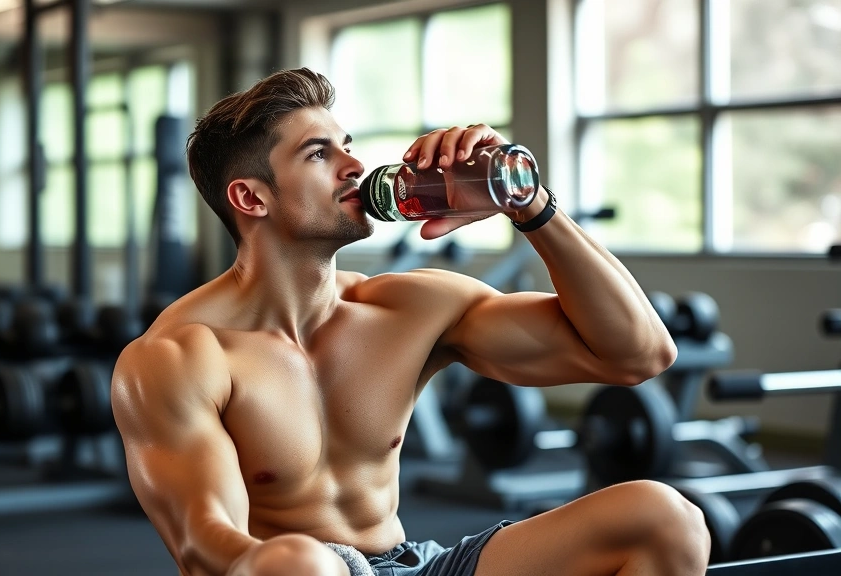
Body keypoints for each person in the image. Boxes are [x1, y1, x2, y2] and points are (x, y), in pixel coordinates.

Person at [111, 68, 710, 576]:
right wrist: (290, 562)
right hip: (302, 574)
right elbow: (201, 544)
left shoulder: (407, 308)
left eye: (347, 145)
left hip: (415, 563)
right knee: (304, 565)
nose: (354, 166)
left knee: (663, 516)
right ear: (251, 198)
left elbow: (638, 355)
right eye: (319, 153)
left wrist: (528, 203)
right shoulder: (180, 355)